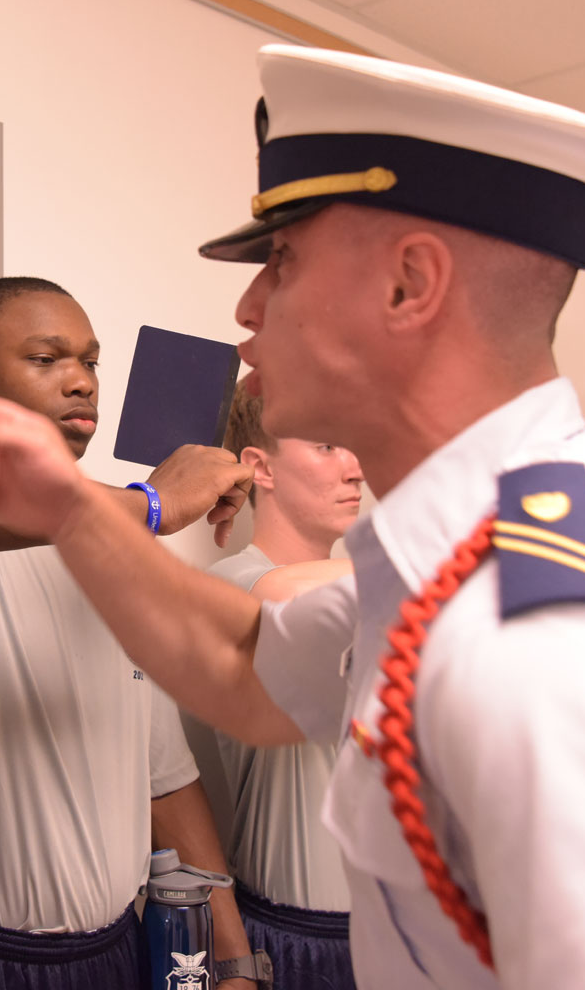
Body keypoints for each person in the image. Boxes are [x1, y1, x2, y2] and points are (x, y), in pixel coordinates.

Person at [0, 46, 585, 988]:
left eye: (284, 260)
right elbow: (241, 663)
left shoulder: (579, 641)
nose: (248, 303)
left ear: (409, 287)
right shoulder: (478, 546)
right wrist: (74, 509)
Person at [0, 276, 261, 990]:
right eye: (46, 359)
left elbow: (162, 777)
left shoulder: (124, 558)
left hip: (115, 957)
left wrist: (235, 957)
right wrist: (150, 502)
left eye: (89, 361)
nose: (80, 382)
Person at [207, 378, 359, 988]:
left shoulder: (382, 591)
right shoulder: (235, 582)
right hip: (295, 935)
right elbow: (282, 596)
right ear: (259, 468)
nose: (355, 468)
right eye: (327, 446)